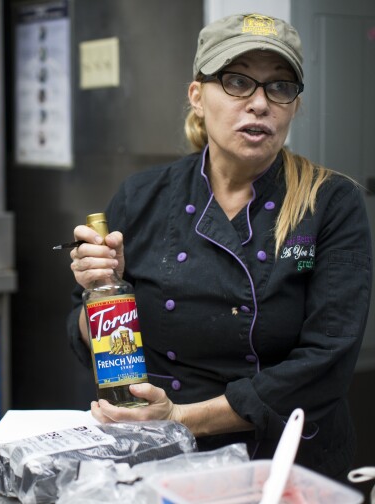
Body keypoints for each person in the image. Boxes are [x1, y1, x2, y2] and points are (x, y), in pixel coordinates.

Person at [66, 13, 372, 480]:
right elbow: (91, 339)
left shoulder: (330, 202)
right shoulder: (142, 196)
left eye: (280, 87)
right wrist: (104, 292)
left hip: (286, 460)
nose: (259, 104)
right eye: (236, 82)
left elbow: (327, 359)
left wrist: (181, 417)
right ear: (197, 97)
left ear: (294, 105)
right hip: (161, 457)